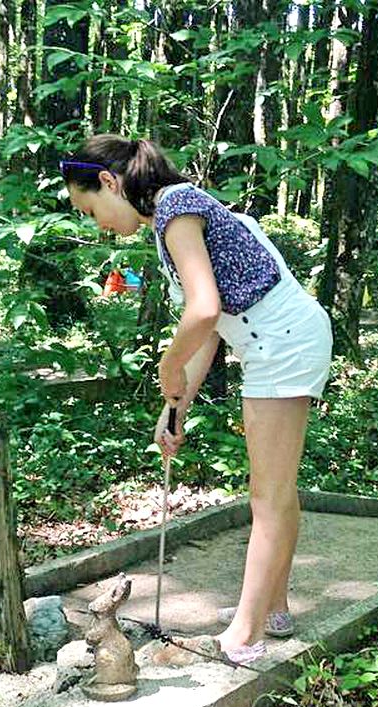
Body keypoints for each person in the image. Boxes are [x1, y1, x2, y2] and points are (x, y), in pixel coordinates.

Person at [60, 135, 333, 664]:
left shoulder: (175, 209)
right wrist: (175, 405)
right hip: (273, 341)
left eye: (90, 208)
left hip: (282, 345)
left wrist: (164, 365)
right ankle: (273, 605)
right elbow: (209, 330)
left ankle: (245, 634)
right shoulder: (177, 211)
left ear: (111, 183)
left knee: (267, 496)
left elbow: (204, 311)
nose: (96, 225)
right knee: (278, 490)